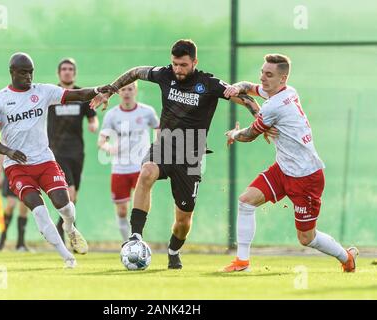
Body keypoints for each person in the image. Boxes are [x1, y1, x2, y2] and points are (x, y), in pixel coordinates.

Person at [90, 39, 268, 269]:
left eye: (183, 65)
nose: (178, 69)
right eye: (175, 64)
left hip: (191, 157)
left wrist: (261, 119)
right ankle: (135, 236)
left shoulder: (209, 83)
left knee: (183, 221)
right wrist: (109, 90)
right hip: (164, 146)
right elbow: (135, 72)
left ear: (195, 62)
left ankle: (173, 251)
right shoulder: (165, 75)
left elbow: (245, 99)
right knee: (146, 172)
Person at [222, 53, 358, 273]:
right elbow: (249, 86)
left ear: (282, 78)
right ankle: (242, 262)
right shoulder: (288, 91)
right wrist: (236, 87)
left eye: (269, 75)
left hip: (306, 176)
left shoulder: (274, 106)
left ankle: (346, 257)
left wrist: (234, 133)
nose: (263, 78)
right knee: (246, 201)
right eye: (262, 73)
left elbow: (249, 135)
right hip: (283, 169)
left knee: (306, 238)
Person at [0, 52, 113, 268]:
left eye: (31, 72)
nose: (28, 76)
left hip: (44, 160)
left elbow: (78, 94)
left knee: (65, 206)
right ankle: (68, 257)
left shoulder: (43, 91)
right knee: (39, 210)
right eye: (23, 72)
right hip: (17, 166)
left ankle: (70, 228)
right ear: (12, 72)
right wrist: (8, 151)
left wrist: (98, 90)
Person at [98, 82, 159, 241]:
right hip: (120, 168)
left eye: (130, 89)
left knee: (140, 205)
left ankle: (138, 238)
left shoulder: (147, 111)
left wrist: (157, 149)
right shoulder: (112, 115)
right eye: (123, 89)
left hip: (141, 167)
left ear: (135, 91)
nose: (126, 92)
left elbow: (159, 130)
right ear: (118, 92)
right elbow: (101, 141)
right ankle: (127, 243)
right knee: (122, 211)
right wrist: (109, 148)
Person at [48, 58, 99, 244]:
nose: (67, 72)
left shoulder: (81, 95)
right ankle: (66, 232)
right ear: (59, 73)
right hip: (57, 152)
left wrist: (94, 124)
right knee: (69, 192)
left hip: (77, 153)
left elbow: (92, 117)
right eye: (64, 69)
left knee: (73, 195)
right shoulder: (51, 95)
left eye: (70, 69)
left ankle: (65, 228)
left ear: (74, 73)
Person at [0, 154, 29, 251]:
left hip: (26, 172)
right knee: (11, 204)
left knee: (24, 208)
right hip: (11, 171)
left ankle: (20, 244)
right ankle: (2, 239)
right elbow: (2, 153)